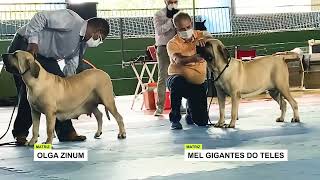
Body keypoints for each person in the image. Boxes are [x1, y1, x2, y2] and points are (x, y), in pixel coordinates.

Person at [7, 9, 109, 145]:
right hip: (26, 44)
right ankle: (20, 133)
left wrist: (69, 85)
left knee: (62, 91)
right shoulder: (71, 20)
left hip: (46, 56)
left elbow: (71, 65)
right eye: (100, 39)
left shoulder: (81, 45)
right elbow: (40, 17)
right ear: (97, 33)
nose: (98, 42)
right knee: (31, 89)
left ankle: (66, 132)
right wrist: (33, 42)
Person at [166, 11, 211, 129]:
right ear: (176, 28)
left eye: (188, 27)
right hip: (178, 80)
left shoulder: (201, 35)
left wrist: (205, 40)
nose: (186, 31)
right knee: (177, 82)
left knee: (202, 122)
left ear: (191, 23)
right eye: (181, 29)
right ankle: (175, 119)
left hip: (197, 83)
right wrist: (194, 58)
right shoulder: (172, 43)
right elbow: (178, 59)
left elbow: (212, 39)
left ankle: (190, 111)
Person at [153, 0, 179, 116]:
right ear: (165, 1)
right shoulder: (159, 14)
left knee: (178, 76)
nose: (173, 3)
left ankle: (178, 105)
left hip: (177, 47)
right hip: (163, 47)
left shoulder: (180, 14)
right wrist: (171, 21)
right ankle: (160, 107)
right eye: (170, 1)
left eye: (175, 1)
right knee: (163, 76)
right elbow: (159, 31)